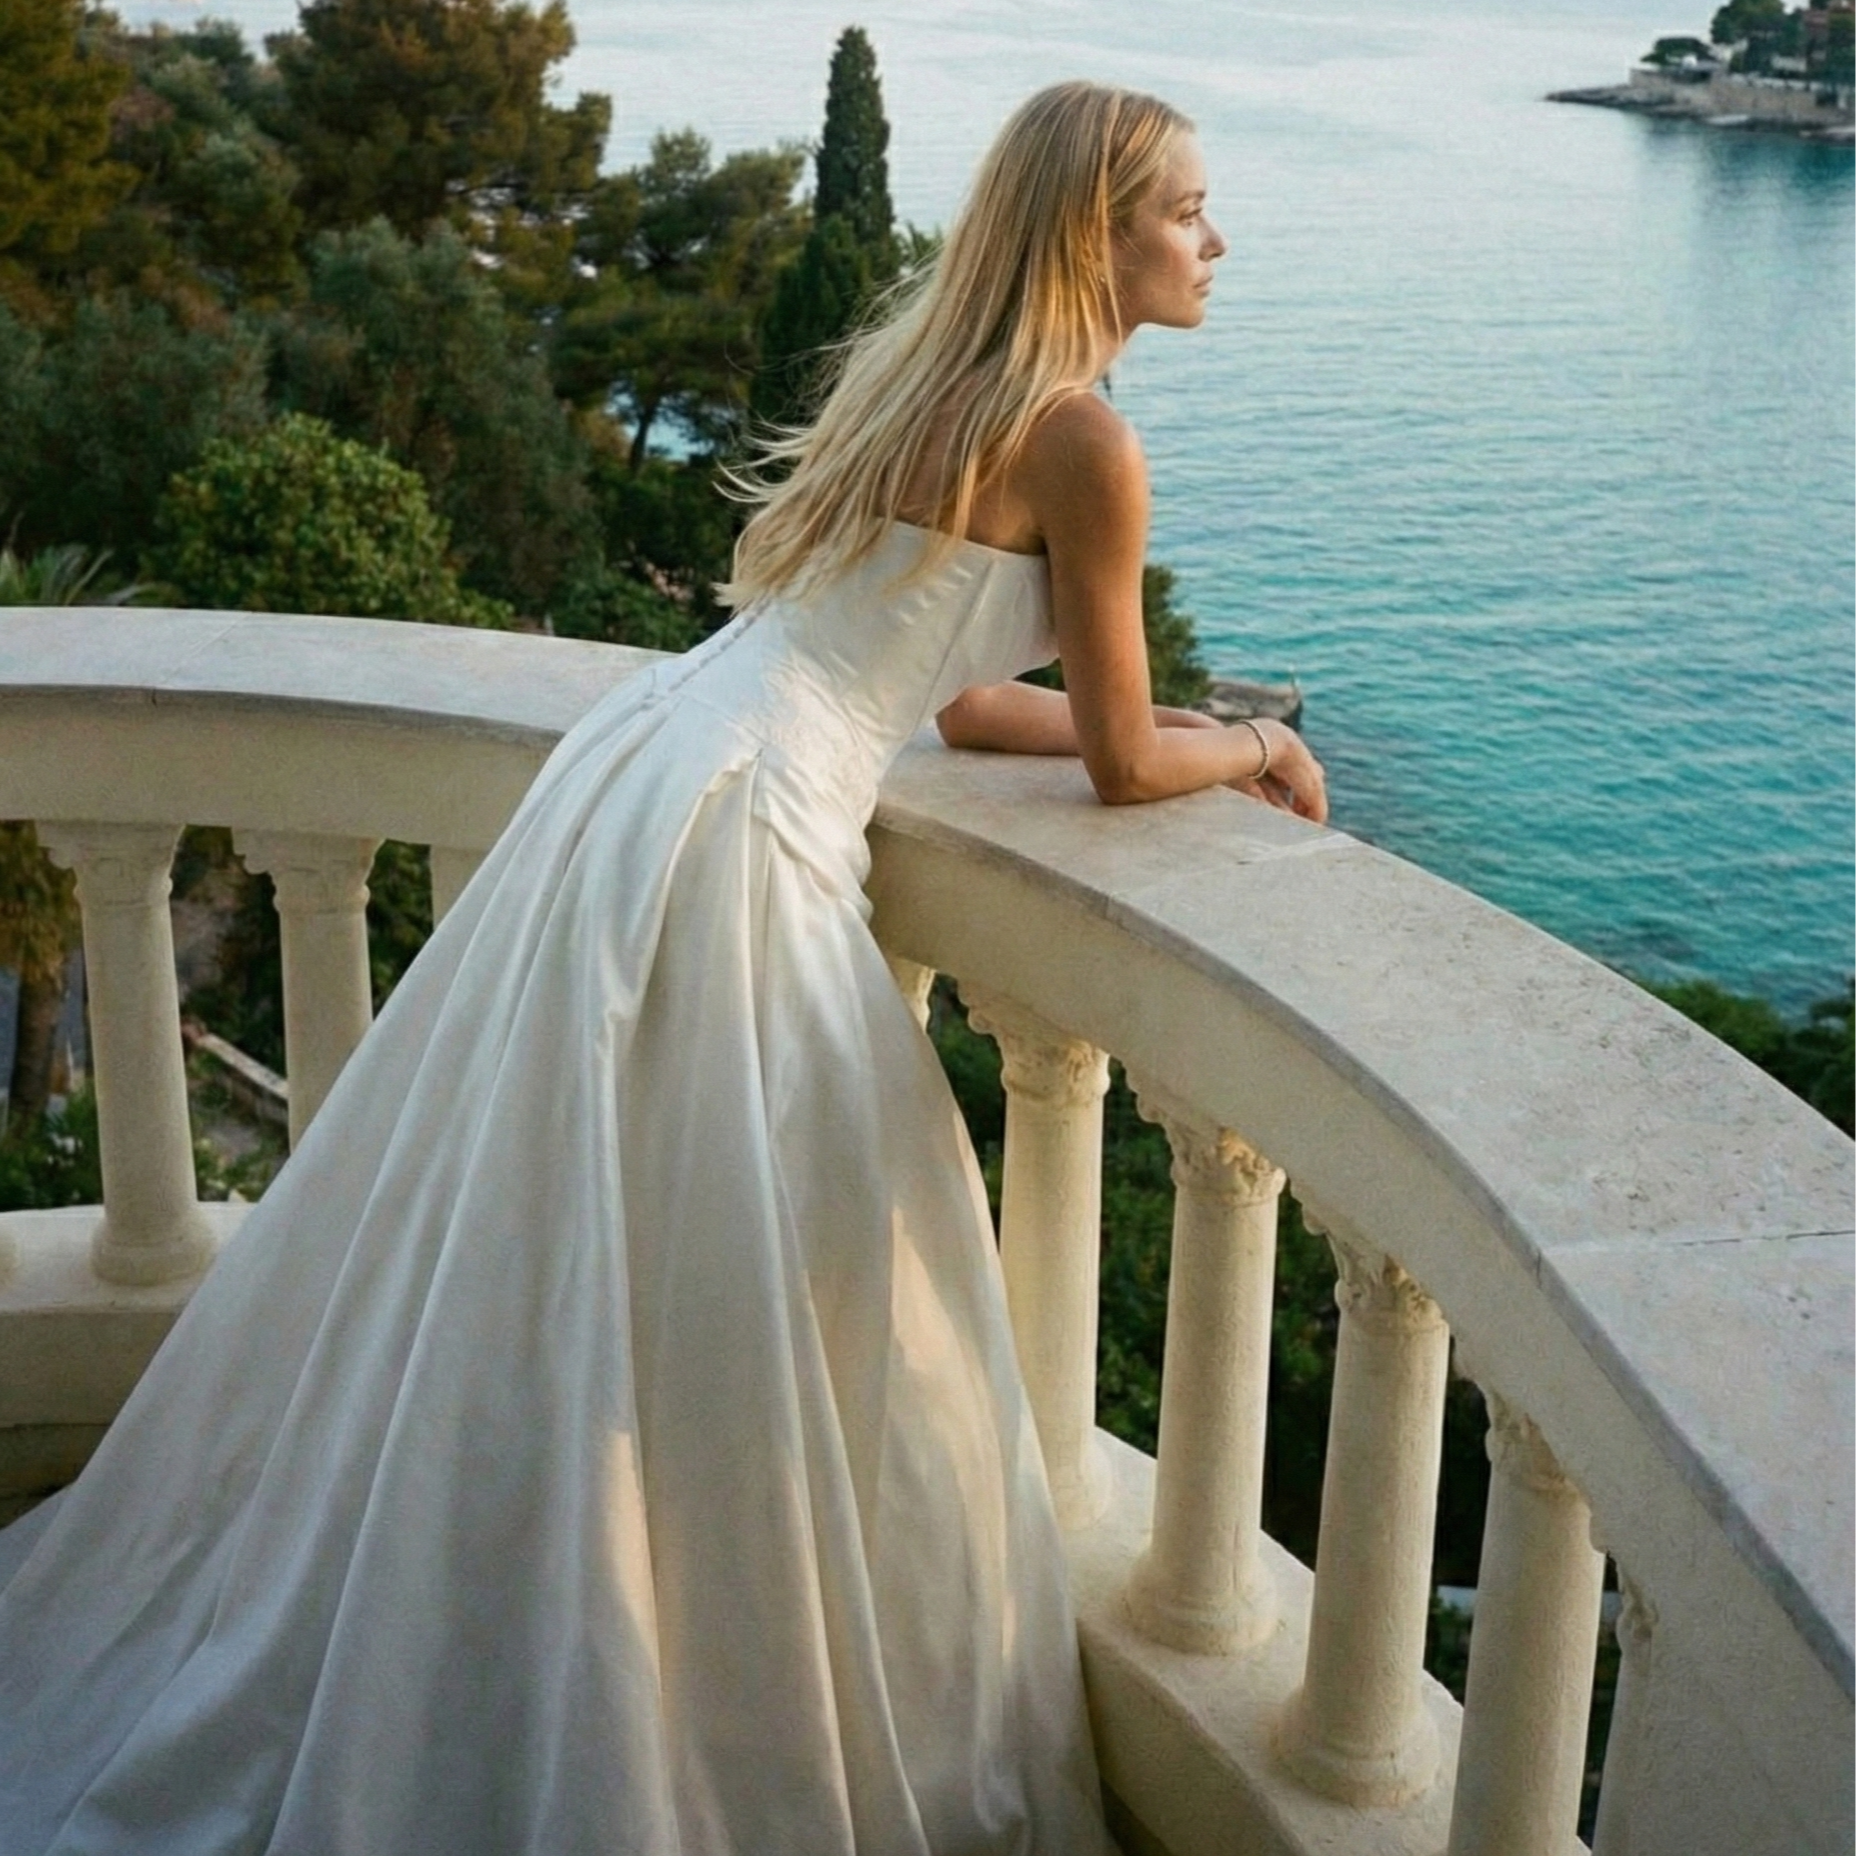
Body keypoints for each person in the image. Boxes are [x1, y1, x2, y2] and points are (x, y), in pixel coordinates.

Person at [0, 80, 1325, 1856]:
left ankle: (547, 1623)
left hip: (661, 753)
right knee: (784, 1262)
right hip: (750, 821)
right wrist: (1248, 748)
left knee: (589, 1226)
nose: (1214, 240)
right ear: (1099, 230)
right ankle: (668, 1677)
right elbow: (1110, 759)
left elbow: (952, 692)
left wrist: (1155, 718)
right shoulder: (1084, 440)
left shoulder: (932, 374)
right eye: (1186, 210)